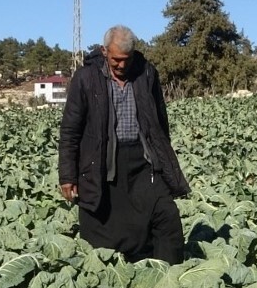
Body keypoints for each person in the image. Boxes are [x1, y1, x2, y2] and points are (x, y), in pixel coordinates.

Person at [58, 25, 190, 263]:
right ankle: (116, 269)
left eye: (126, 59)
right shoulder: (86, 78)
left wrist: (163, 158)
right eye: (116, 59)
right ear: (104, 51)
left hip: (143, 161)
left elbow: (160, 121)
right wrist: (67, 176)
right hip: (102, 162)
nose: (121, 65)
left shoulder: (146, 73)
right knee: (106, 222)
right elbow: (70, 130)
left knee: (166, 216)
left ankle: (169, 273)